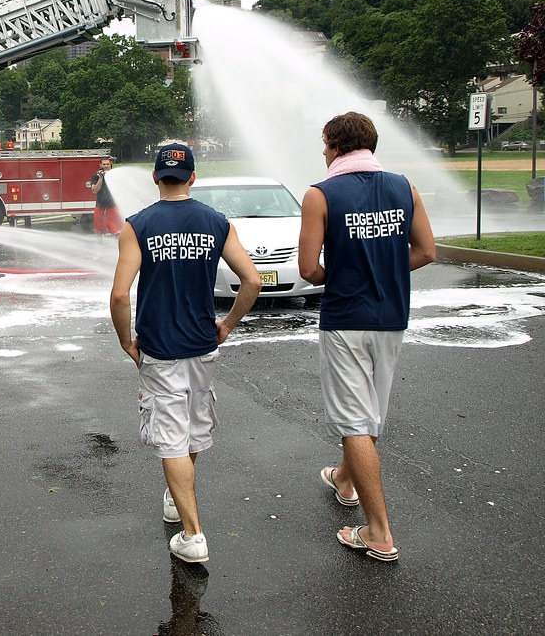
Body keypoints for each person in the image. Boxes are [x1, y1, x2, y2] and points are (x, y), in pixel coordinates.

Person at [110, 142, 261, 564]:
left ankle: (193, 536)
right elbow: (251, 282)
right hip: (201, 345)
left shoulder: (137, 225)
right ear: (193, 178)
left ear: (156, 178)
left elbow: (121, 295)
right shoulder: (216, 222)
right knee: (190, 427)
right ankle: (178, 499)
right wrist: (227, 326)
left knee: (173, 437)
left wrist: (126, 341)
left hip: (159, 349)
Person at [298, 111, 436, 563]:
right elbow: (427, 251)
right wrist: (387, 272)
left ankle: (378, 532)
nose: (321, 153)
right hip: (392, 316)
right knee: (368, 412)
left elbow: (307, 269)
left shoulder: (320, 194)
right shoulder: (404, 186)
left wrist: (340, 277)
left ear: (336, 145)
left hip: (345, 317)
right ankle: (344, 478)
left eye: (323, 145)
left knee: (355, 420)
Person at [90, 157, 121, 236]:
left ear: (110, 164)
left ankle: (115, 246)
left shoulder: (115, 175)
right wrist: (101, 178)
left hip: (112, 207)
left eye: (108, 164)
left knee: (116, 231)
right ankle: (100, 246)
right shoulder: (96, 176)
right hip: (100, 207)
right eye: (104, 164)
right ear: (100, 165)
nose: (106, 166)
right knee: (99, 232)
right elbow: (94, 190)